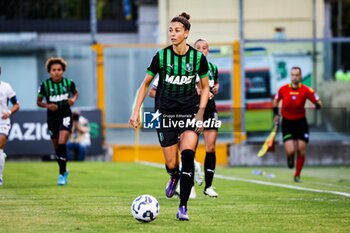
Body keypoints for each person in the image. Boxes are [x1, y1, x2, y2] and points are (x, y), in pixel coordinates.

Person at [129, 12, 210, 221]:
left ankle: (183, 207)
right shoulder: (161, 56)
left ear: (186, 33)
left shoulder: (198, 59)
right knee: (172, 163)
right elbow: (145, 83)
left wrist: (200, 113)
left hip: (190, 113)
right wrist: (136, 110)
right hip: (164, 113)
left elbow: (205, 86)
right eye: (171, 30)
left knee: (188, 157)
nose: (173, 34)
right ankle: (173, 176)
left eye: (177, 31)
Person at [149, 76, 203, 199]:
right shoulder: (166, 70)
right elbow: (151, 92)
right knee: (172, 161)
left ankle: (190, 190)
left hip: (188, 113)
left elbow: (202, 90)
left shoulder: (196, 70)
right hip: (168, 116)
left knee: (187, 152)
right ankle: (175, 174)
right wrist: (170, 96)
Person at [273, 66, 322, 183]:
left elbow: (319, 102)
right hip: (287, 123)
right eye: (293, 75)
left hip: (301, 123)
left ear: (300, 76)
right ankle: (290, 158)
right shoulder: (283, 89)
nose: (295, 77)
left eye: (297, 75)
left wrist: (316, 106)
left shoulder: (307, 90)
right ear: (290, 76)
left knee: (301, 148)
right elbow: (276, 100)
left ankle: (297, 175)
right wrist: (276, 114)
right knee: (290, 150)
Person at [37, 57, 79, 185]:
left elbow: (76, 93)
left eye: (59, 70)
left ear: (63, 71)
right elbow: (38, 102)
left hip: (65, 114)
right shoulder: (45, 85)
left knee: (62, 141)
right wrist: (48, 105)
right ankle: (64, 169)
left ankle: (61, 174)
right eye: (54, 70)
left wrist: (73, 99)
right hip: (52, 117)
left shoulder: (69, 83)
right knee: (56, 146)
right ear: (49, 71)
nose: (57, 72)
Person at [194, 38, 219, 197]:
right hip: (193, 109)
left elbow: (215, 84)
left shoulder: (213, 68)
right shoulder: (190, 67)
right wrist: (200, 91)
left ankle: (208, 186)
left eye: (204, 48)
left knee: (211, 147)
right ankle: (193, 171)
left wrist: (214, 89)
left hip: (210, 109)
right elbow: (193, 86)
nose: (202, 50)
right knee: (190, 147)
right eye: (198, 48)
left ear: (207, 51)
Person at [0, 66, 20, 186]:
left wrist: (9, 112)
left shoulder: (6, 87)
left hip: (2, 122)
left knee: (0, 146)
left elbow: (17, 104)